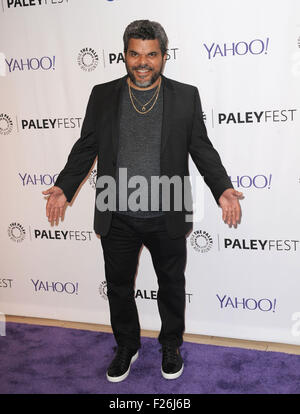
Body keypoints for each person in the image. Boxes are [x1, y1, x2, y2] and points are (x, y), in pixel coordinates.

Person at [42, 20, 243, 383]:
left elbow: (200, 147)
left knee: (171, 284)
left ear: (164, 57)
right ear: (125, 55)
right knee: (118, 286)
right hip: (116, 211)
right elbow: (87, 146)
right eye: (135, 54)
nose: (143, 62)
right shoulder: (102, 94)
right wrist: (63, 186)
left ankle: (170, 345)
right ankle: (127, 346)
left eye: (151, 54)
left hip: (167, 207)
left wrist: (222, 188)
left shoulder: (185, 95)